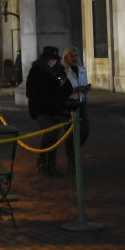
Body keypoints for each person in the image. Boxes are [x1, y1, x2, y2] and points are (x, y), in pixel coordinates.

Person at [25, 45, 72, 176]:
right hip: (42, 109)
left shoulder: (59, 70)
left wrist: (64, 85)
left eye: (55, 59)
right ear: (44, 59)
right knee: (49, 133)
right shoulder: (36, 70)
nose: (53, 62)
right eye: (50, 59)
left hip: (57, 108)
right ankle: (42, 160)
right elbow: (31, 91)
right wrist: (52, 86)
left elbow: (68, 89)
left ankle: (51, 164)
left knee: (55, 137)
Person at [62, 46, 90, 170]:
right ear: (66, 58)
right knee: (69, 133)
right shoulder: (63, 72)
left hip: (81, 102)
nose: (74, 58)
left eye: (75, 55)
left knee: (85, 131)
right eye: (71, 56)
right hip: (70, 103)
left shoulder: (82, 69)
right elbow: (61, 89)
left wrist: (86, 89)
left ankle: (74, 152)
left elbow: (84, 84)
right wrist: (75, 89)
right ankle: (71, 159)